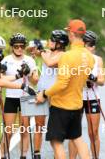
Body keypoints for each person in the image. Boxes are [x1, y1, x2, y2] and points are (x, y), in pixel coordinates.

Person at [36, 19, 94, 159]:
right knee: (77, 139)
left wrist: (44, 93)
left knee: (56, 142)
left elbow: (62, 83)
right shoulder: (89, 57)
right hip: (77, 105)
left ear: (72, 34)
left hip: (61, 105)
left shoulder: (67, 56)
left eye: (68, 31)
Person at [1, 33, 39, 159]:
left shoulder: (30, 60)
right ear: (12, 47)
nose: (19, 48)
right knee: (8, 130)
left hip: (26, 97)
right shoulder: (6, 60)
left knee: (25, 129)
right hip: (11, 97)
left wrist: (29, 73)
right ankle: (3, 155)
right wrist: (17, 75)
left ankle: (23, 155)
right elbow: (0, 79)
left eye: (22, 46)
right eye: (16, 46)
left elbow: (35, 81)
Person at [32, 30, 69, 159]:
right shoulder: (47, 52)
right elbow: (32, 50)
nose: (50, 42)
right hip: (41, 93)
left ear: (59, 44)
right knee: (39, 125)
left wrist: (42, 51)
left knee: (55, 130)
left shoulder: (64, 55)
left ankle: (57, 155)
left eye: (52, 40)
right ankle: (36, 154)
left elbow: (50, 63)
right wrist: (36, 47)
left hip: (54, 94)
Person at [69, 30, 105, 159]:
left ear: (94, 46)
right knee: (74, 133)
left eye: (90, 45)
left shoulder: (97, 60)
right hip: (77, 97)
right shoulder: (74, 58)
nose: (88, 48)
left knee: (93, 133)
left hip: (92, 97)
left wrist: (92, 78)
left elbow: (102, 81)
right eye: (85, 44)